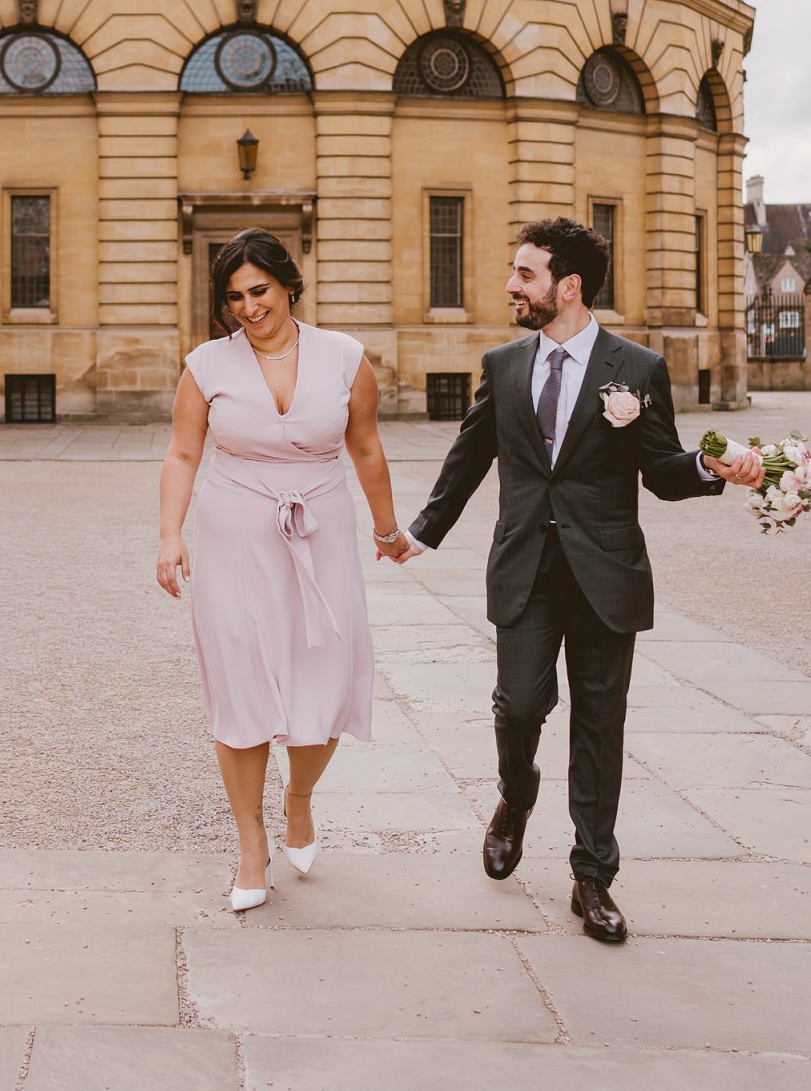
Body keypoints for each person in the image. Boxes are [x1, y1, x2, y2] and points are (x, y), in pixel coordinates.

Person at [400, 217, 763, 943]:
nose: (511, 285)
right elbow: (472, 454)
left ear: (567, 288)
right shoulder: (504, 365)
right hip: (525, 567)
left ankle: (592, 877)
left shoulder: (638, 369)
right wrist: (419, 532)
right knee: (520, 703)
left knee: (600, 727)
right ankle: (517, 792)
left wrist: (709, 465)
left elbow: (659, 470)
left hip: (607, 572)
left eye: (524, 274)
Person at [156, 228, 414, 913]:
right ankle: (250, 844)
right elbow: (184, 453)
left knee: (325, 681)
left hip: (320, 528)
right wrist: (169, 535)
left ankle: (299, 798)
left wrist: (388, 531)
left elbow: (366, 448)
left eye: (259, 290)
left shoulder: (345, 358)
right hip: (234, 532)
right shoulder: (206, 365)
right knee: (239, 686)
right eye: (235, 296)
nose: (248, 306)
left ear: (288, 284)